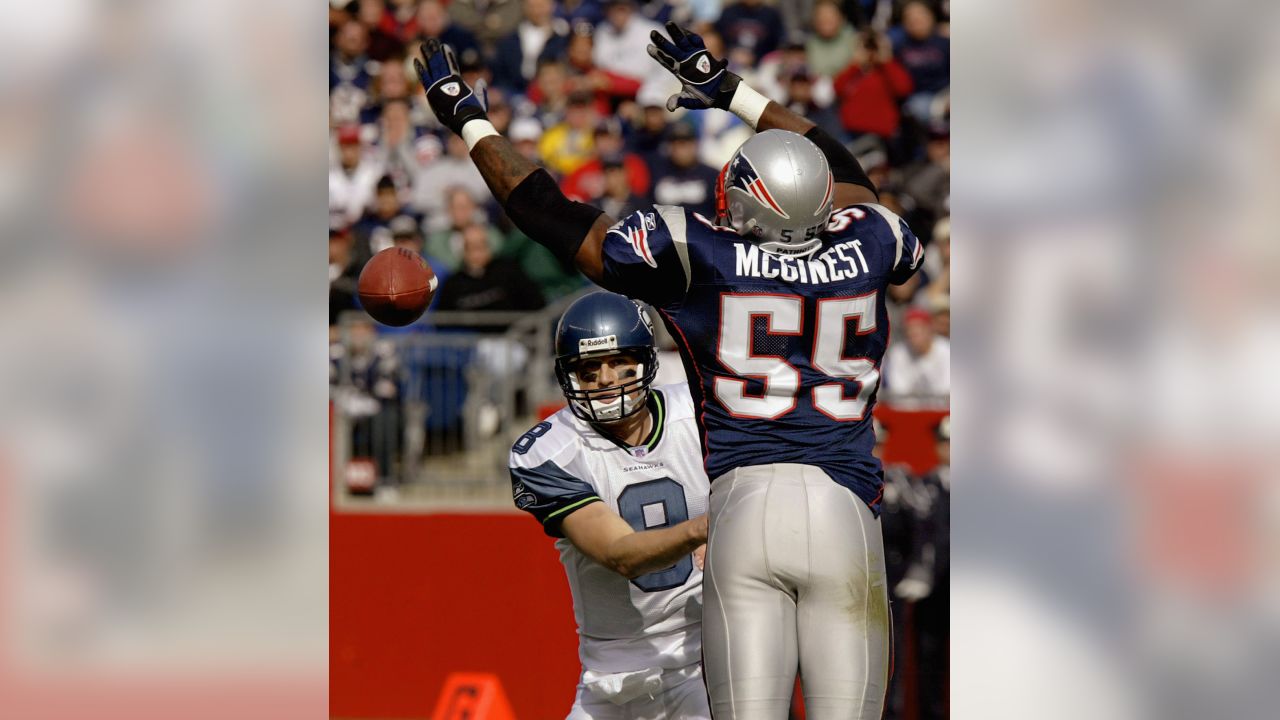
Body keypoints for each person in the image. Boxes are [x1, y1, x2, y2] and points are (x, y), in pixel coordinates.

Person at [414, 19, 925, 716]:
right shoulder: (870, 238)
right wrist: (736, 94)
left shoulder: (700, 251)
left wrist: (470, 120)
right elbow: (849, 178)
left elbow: (551, 216)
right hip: (845, 509)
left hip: (741, 510)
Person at [508, 291, 712, 718]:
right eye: (589, 368)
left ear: (645, 361)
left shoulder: (699, 413)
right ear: (570, 377)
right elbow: (621, 555)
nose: (605, 378)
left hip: (701, 663)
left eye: (619, 362)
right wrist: (706, 527)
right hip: (608, 678)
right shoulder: (549, 452)